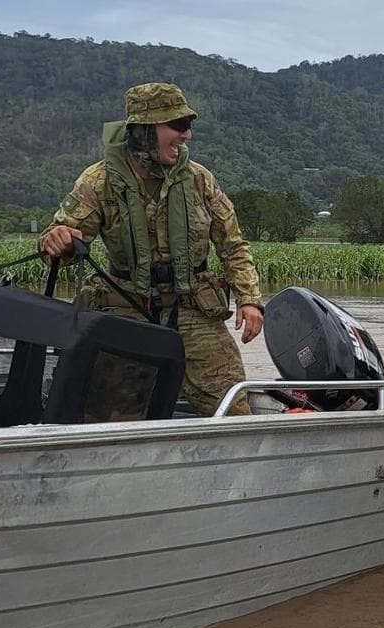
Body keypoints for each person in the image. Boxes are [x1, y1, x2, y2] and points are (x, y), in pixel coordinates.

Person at [38, 82, 263, 417]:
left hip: (192, 308)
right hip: (127, 306)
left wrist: (249, 299)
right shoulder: (98, 182)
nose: (187, 136)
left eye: (188, 126)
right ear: (144, 131)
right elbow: (57, 244)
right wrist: (58, 241)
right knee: (110, 415)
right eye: (178, 126)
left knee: (232, 409)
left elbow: (233, 246)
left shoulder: (200, 180)